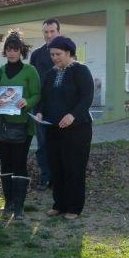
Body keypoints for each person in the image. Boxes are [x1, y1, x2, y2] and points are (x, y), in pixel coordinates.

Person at [35, 35, 94, 220]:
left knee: (74, 168)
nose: (54, 57)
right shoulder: (50, 74)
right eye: (52, 54)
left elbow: (87, 97)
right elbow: (42, 98)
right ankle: (58, 204)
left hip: (78, 129)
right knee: (56, 167)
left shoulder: (81, 70)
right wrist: (39, 113)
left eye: (58, 54)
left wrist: (72, 115)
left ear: (69, 53)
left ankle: (74, 208)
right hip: (53, 128)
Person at [0, 31, 41, 220]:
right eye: (9, 49)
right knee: (6, 163)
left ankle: (19, 206)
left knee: (20, 163)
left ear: (21, 51)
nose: (12, 53)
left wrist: (27, 101)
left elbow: (37, 94)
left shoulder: (30, 71)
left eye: (15, 49)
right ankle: (8, 202)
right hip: (2, 126)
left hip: (23, 126)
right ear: (5, 51)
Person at [30, 18, 61, 190]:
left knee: (60, 144)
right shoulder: (36, 55)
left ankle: (59, 178)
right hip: (40, 108)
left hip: (61, 108)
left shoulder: (67, 52)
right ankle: (46, 177)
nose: (49, 35)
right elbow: (33, 83)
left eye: (52, 31)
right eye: (46, 32)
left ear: (58, 32)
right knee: (43, 145)